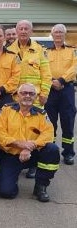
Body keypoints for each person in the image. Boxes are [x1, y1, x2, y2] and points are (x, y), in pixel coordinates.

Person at [0, 83, 60, 202]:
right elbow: (0, 135)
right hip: (11, 155)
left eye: (31, 93)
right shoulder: (6, 110)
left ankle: (41, 186)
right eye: (24, 93)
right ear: (17, 96)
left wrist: (30, 146)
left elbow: (48, 134)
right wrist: (20, 144)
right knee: (6, 192)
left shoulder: (41, 114)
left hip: (33, 154)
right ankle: (10, 180)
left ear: (36, 97)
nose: (27, 96)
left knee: (52, 149)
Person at [7, 19, 52, 178]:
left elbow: (46, 74)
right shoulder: (9, 50)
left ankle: (33, 163)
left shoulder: (40, 50)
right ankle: (15, 160)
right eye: (21, 28)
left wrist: (45, 93)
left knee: (35, 131)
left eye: (26, 28)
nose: (23, 31)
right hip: (14, 98)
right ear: (16, 31)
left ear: (31, 31)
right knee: (16, 129)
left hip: (35, 99)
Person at [46, 24, 77, 165]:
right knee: (50, 123)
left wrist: (62, 80)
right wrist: (52, 82)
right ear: (52, 35)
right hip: (50, 89)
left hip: (66, 89)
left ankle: (68, 153)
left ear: (65, 34)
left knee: (68, 122)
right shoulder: (46, 52)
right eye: (55, 32)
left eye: (60, 32)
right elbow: (43, 68)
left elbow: (75, 67)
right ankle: (51, 152)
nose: (58, 34)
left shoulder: (72, 51)